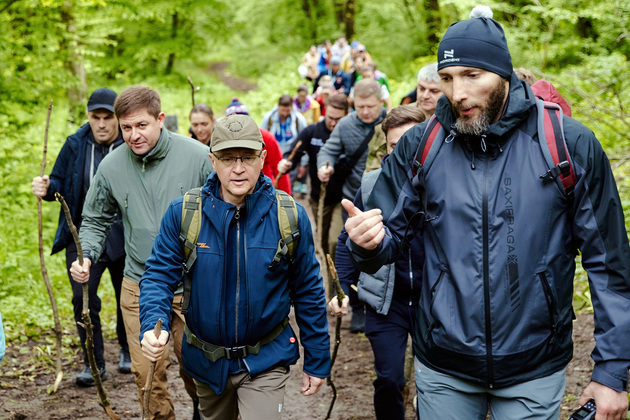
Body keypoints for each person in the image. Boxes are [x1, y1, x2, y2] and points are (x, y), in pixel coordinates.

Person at [344, 6, 630, 420]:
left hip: (534, 364)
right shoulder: (421, 145)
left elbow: (610, 265)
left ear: (503, 73)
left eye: (472, 75)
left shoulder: (568, 145)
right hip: (444, 364)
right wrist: (368, 243)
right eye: (447, 78)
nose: (457, 93)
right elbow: (388, 239)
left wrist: (611, 372)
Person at [138, 114, 331, 420]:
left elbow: (308, 289)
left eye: (247, 157)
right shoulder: (184, 213)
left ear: (262, 158)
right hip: (206, 360)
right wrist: (152, 324)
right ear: (212, 161)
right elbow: (158, 277)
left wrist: (317, 358)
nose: (238, 168)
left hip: (266, 358)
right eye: (228, 158)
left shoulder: (289, 216)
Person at [70, 85, 213, 419]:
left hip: (193, 284)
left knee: (197, 367)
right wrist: (86, 254)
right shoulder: (112, 167)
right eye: (126, 127)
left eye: (141, 125)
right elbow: (95, 219)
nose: (133, 135)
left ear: (160, 119)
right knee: (146, 372)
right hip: (139, 282)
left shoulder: (197, 157)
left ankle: (203, 409)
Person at [330, 105, 425, 420]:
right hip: (386, 301)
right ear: (385, 147)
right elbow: (348, 239)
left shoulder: (444, 182)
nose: (404, 152)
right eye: (396, 145)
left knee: (434, 383)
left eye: (411, 142)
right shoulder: (372, 185)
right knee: (389, 379)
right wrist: (342, 289)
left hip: (433, 302)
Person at [31, 87, 130, 386]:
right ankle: (93, 362)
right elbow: (59, 182)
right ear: (88, 116)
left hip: (125, 234)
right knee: (81, 297)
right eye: (95, 117)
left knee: (128, 297)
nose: (101, 124)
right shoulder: (75, 144)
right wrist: (47, 187)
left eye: (107, 117)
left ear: (117, 118)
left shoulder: (130, 144)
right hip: (81, 234)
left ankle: (128, 349)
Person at [317, 78, 387, 331]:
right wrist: (324, 167)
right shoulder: (346, 125)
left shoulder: (391, 123)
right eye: (360, 107)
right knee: (345, 247)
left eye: (371, 106)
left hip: (384, 200)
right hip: (353, 199)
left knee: (379, 251)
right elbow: (328, 151)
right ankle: (354, 305)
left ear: (381, 102)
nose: (365, 112)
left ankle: (377, 304)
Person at [277, 94, 349, 284]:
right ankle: (329, 284)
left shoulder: (350, 133)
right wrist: (286, 163)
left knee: (335, 241)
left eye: (338, 119)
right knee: (323, 243)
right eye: (330, 118)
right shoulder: (313, 131)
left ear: (347, 115)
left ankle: (338, 285)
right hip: (319, 198)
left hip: (343, 198)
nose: (333, 123)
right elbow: (295, 152)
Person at [224, 97, 292, 195]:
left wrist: (286, 198)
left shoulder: (266, 138)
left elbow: (280, 170)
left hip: (264, 192)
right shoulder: (223, 141)